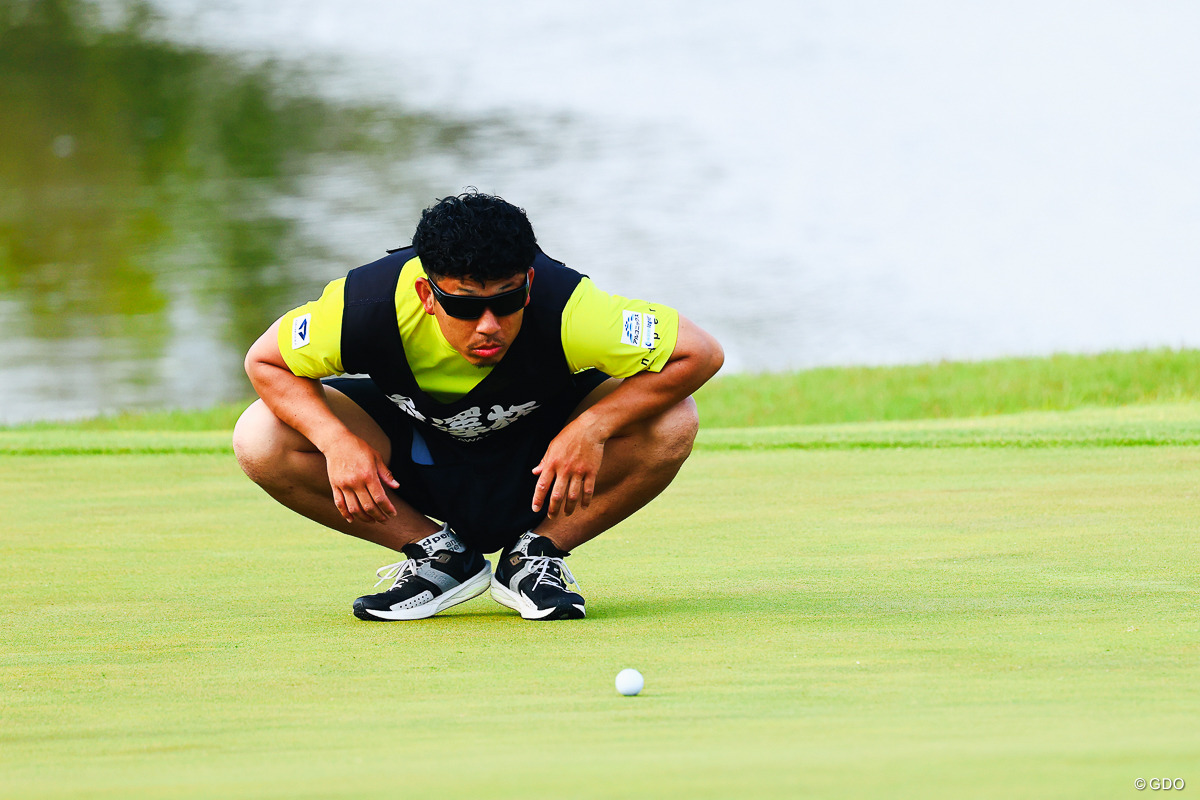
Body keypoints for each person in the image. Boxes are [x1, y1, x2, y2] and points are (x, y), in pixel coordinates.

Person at [232, 192, 723, 621]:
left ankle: (533, 557)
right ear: (427, 293)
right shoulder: (363, 307)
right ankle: (441, 559)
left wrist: (593, 427)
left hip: (545, 464)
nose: (488, 324)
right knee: (260, 436)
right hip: (415, 458)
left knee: (674, 418)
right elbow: (266, 361)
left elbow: (700, 352)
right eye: (465, 305)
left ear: (528, 280)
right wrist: (334, 441)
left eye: (508, 301)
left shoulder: (570, 306)